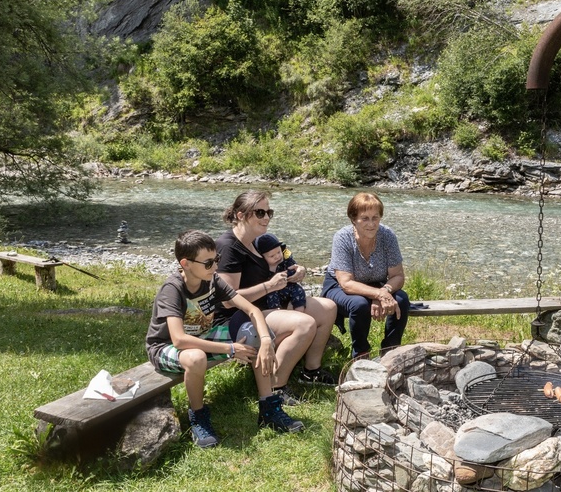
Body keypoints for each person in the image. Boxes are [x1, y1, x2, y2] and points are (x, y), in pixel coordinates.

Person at [145, 230, 304, 449]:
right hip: (166, 346)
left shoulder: (212, 280)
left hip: (202, 336)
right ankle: (198, 418)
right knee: (196, 358)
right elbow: (179, 340)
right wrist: (230, 348)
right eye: (208, 263)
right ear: (186, 264)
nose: (215, 267)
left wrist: (266, 340)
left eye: (216, 259)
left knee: (253, 333)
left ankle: (269, 408)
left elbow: (251, 310)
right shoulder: (173, 289)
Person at [216, 190, 338, 403]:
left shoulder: (256, 240)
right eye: (260, 212)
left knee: (328, 308)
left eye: (269, 212)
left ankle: (311, 371)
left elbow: (280, 261)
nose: (266, 218)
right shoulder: (228, 247)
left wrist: (297, 270)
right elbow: (227, 300)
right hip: (237, 319)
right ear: (241, 215)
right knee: (304, 324)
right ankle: (275, 386)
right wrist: (269, 286)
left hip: (267, 306)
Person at [323, 192, 411, 359]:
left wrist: (383, 291)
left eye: (375, 218)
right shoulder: (342, 237)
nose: (371, 224)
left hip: (377, 284)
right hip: (339, 287)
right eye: (365, 218)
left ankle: (391, 352)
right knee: (360, 304)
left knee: (401, 299)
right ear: (353, 219)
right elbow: (346, 283)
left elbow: (398, 276)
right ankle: (361, 355)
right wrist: (378, 294)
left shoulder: (387, 235)